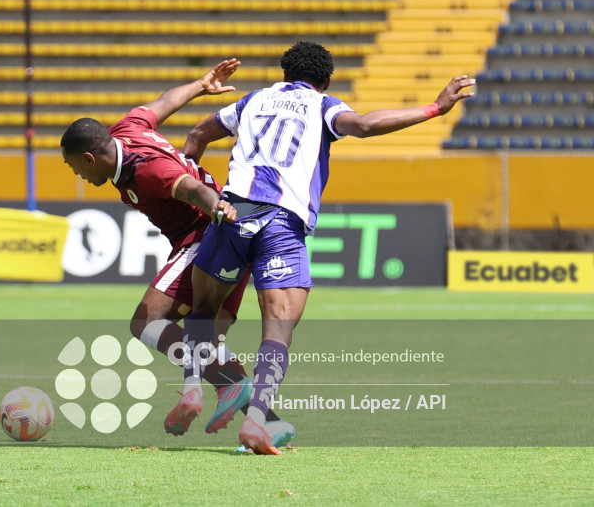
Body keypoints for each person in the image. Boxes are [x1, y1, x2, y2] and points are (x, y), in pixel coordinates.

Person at [179, 40, 476, 454]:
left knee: (204, 311)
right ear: (325, 81)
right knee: (278, 326)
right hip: (281, 222)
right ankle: (257, 421)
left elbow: (196, 135)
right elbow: (367, 125)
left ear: (284, 74)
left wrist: (203, 196)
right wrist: (434, 108)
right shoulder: (322, 105)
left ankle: (192, 388)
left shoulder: (252, 101)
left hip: (231, 212)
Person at [59, 59, 295, 447]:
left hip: (206, 235)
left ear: (89, 158)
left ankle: (212, 394)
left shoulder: (144, 171)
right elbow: (164, 101)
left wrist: (216, 206)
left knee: (146, 321)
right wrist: (201, 84)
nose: (78, 177)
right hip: (231, 233)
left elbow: (188, 187)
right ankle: (268, 423)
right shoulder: (128, 128)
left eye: (75, 168)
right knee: (209, 348)